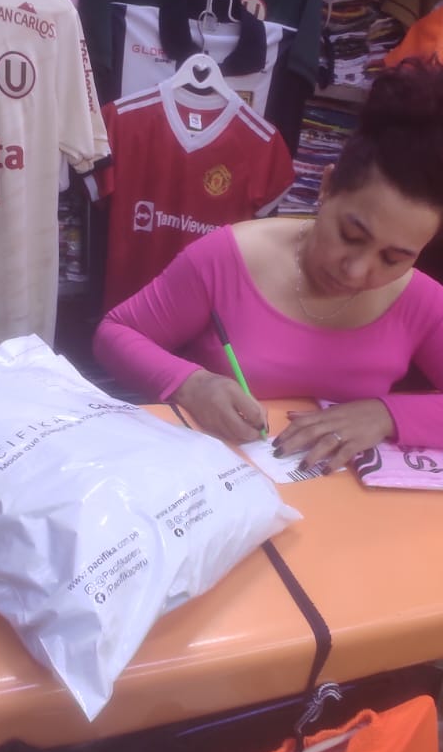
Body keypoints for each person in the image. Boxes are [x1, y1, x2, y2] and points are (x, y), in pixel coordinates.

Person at [93, 59, 443, 471]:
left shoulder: (421, 302)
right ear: (327, 188)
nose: (356, 271)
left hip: (345, 501)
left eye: (394, 258)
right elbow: (114, 334)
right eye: (351, 235)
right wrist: (191, 384)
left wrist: (386, 414)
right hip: (219, 482)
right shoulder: (229, 258)